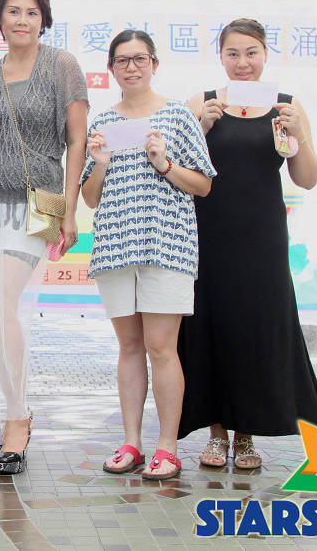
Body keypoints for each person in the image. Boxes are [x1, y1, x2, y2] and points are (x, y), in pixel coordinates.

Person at [178, 18, 317, 470]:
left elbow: (307, 178)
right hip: (207, 235)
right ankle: (216, 434)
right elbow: (175, 172)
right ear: (220, 57)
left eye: (251, 52)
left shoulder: (287, 107)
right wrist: (200, 128)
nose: (242, 62)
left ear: (265, 55)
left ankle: (246, 435)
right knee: (210, 327)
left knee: (256, 328)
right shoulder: (201, 103)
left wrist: (298, 136)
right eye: (233, 53)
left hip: (263, 238)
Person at [0, 0, 88, 475]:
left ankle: (16, 419)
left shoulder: (62, 66)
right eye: (13, 11)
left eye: (31, 12)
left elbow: (77, 140)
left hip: (38, 206)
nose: (22, 19)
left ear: (43, 20)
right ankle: (18, 408)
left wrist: (69, 210)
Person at [82, 29, 215, 481]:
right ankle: (131, 443)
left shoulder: (178, 116)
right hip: (115, 249)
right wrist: (100, 163)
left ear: (154, 64)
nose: (131, 67)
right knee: (129, 347)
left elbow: (204, 184)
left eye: (140, 58)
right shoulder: (103, 122)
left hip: (167, 246)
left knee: (162, 347)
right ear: (111, 69)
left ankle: (167, 447)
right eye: (122, 60)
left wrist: (164, 163)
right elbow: (91, 198)